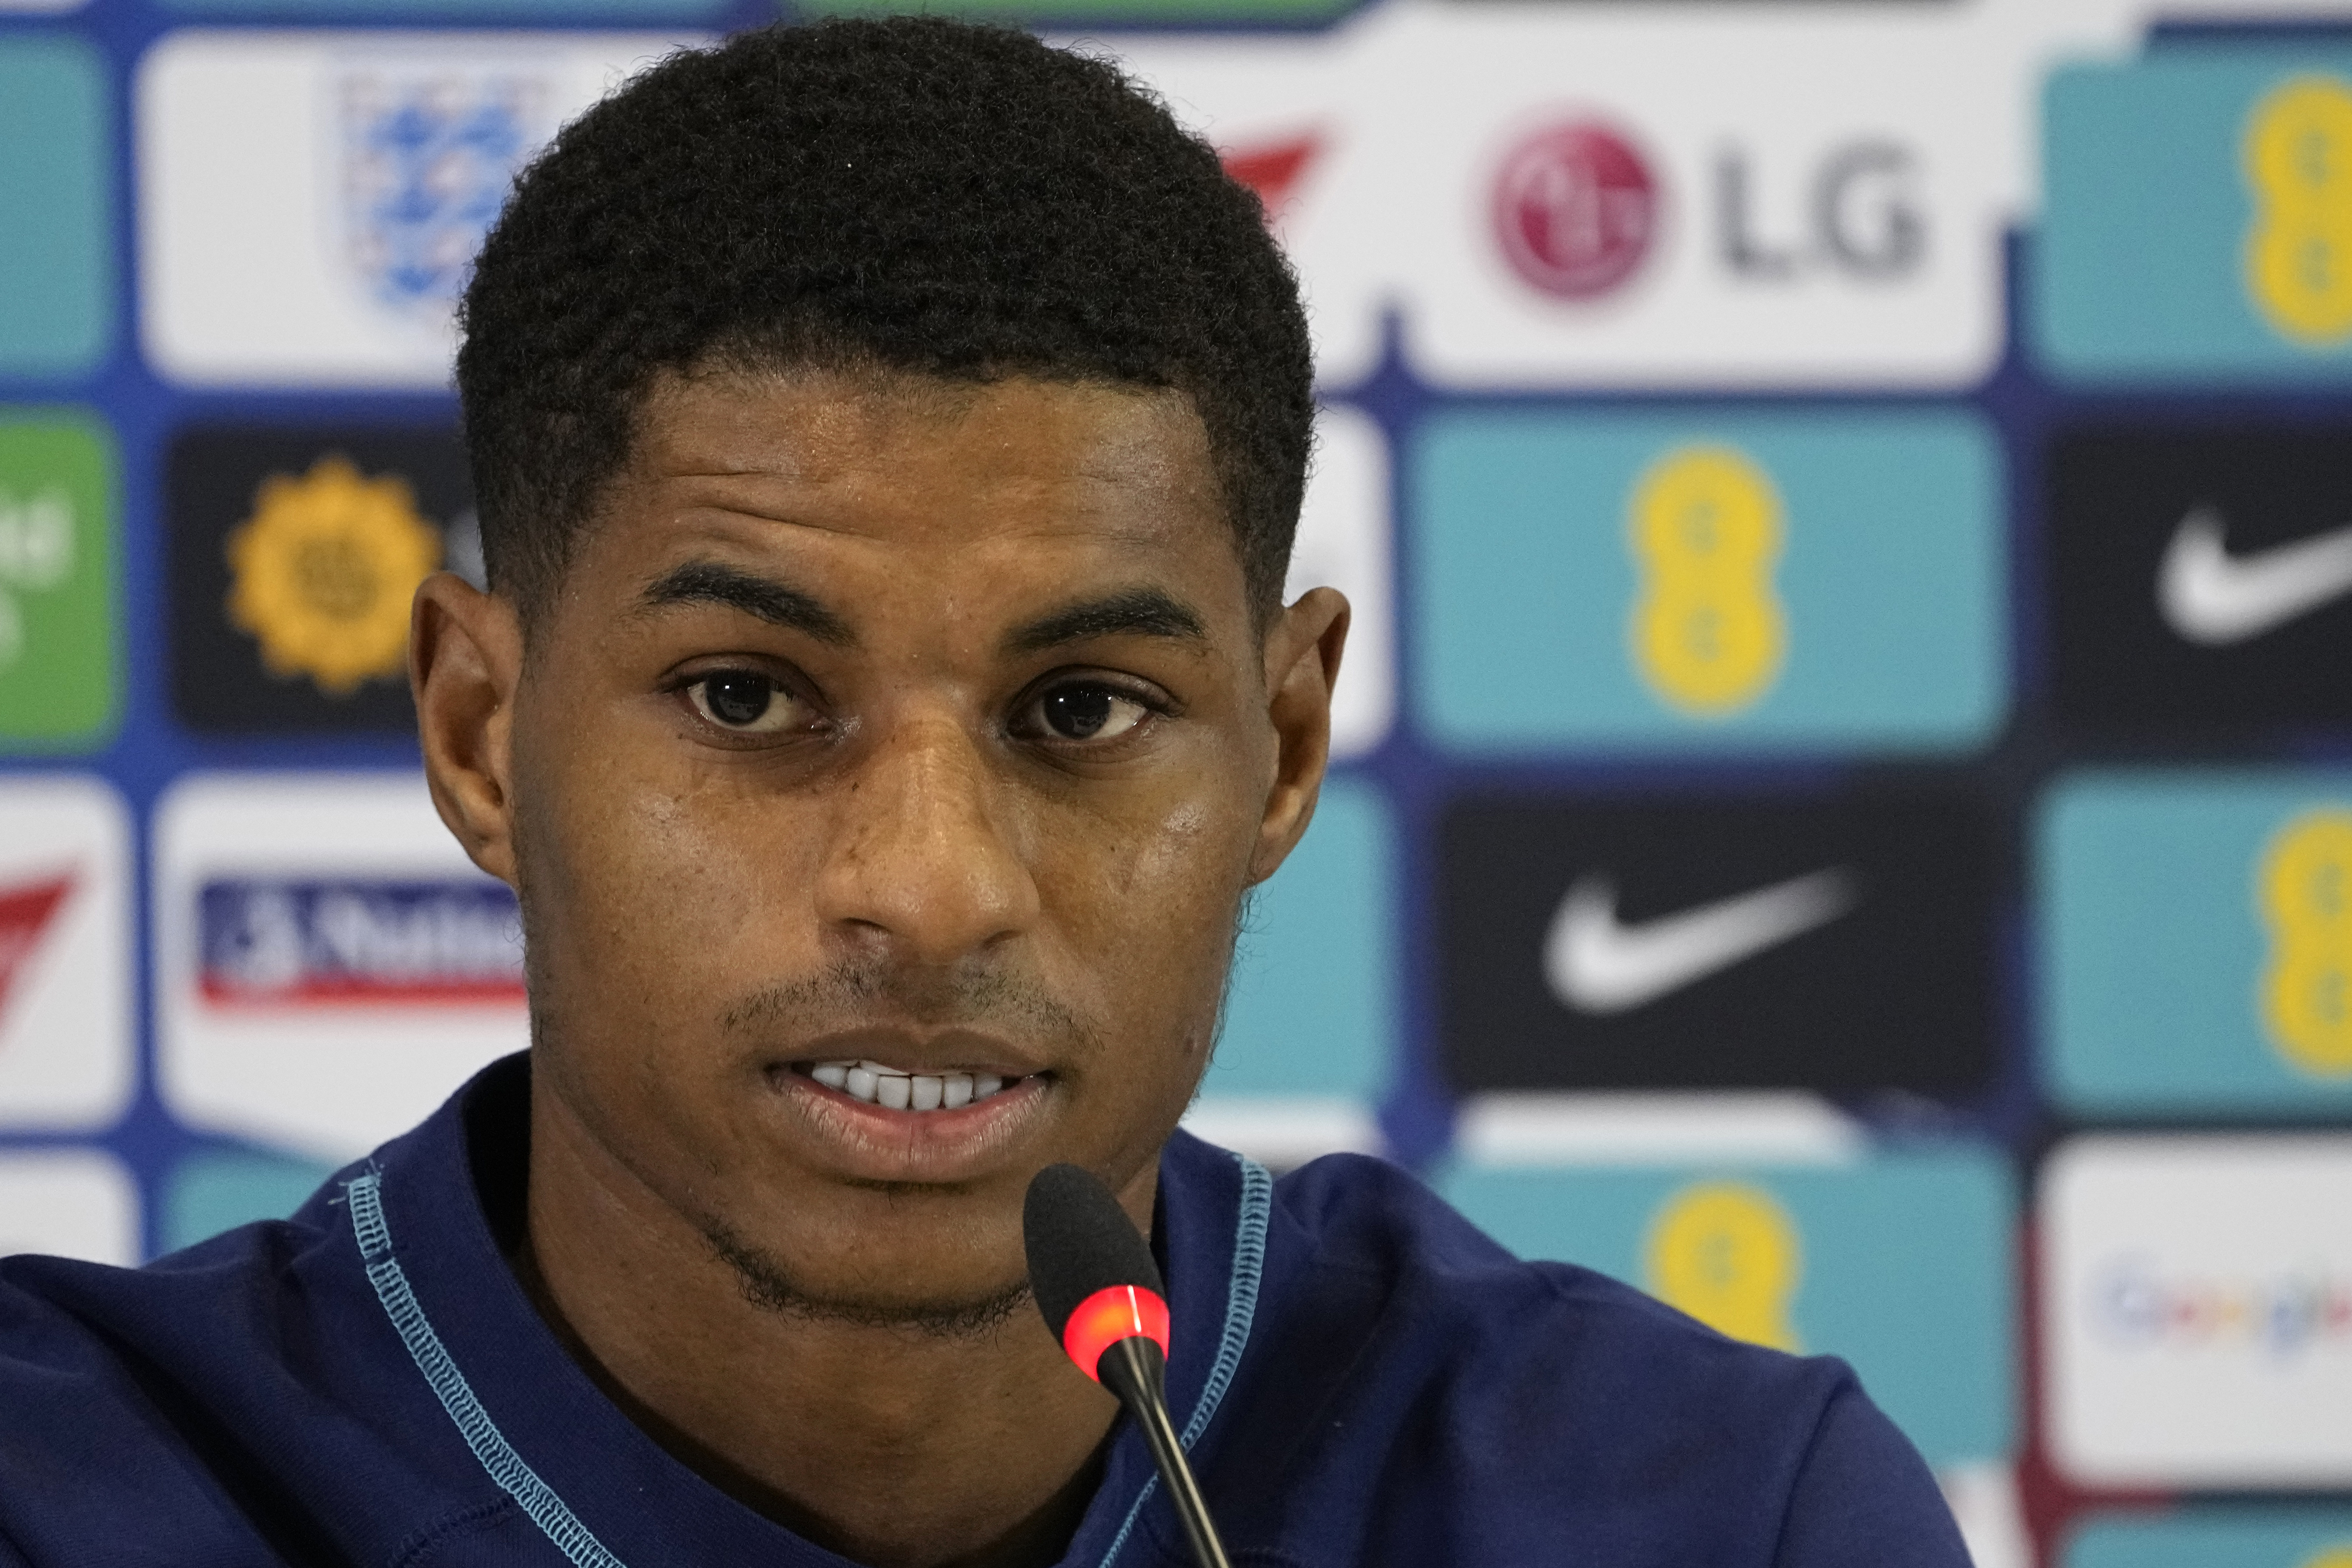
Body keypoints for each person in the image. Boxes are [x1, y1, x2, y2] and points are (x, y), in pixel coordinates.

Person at [0, 19, 1972, 1566]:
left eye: (1086, 708)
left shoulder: (1714, 1514)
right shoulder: (64, 1488)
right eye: (750, 694)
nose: (933, 888)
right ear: (478, 736)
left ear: (1283, 746)